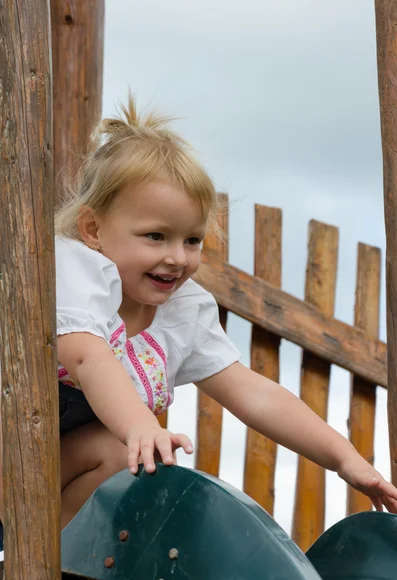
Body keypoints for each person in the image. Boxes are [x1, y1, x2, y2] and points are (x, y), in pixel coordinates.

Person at [53, 96, 397, 527]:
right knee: (127, 447)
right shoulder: (75, 272)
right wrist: (141, 425)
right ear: (93, 230)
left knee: (130, 456)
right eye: (155, 236)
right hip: (14, 457)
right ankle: (35, 552)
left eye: (192, 240)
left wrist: (345, 460)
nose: (177, 257)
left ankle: (54, 558)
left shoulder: (182, 312)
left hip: (63, 468)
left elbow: (254, 393)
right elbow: (89, 358)